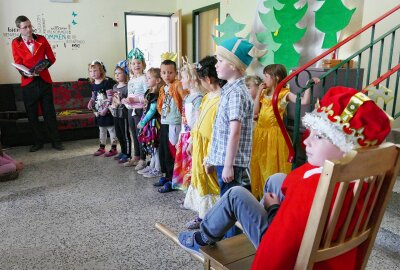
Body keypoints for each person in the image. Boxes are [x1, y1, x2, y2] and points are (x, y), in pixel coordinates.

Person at [177, 86, 392, 270]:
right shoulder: (361, 177)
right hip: (328, 242)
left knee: (236, 194)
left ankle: (203, 237)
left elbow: (280, 246)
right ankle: (256, 220)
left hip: (295, 252)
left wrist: (273, 210)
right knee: (276, 179)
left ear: (345, 147)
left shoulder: (311, 187)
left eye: (318, 136)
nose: (307, 141)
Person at [203, 37, 254, 237]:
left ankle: (231, 250)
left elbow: (235, 131)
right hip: (225, 159)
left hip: (231, 163)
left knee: (231, 208)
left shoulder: (237, 93)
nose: (216, 65)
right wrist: (212, 158)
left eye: (220, 61)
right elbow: (221, 131)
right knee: (227, 204)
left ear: (233, 65)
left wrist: (228, 165)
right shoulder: (230, 90)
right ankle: (228, 243)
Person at [250, 64, 319, 199]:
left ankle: (273, 195)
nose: (265, 79)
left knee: (272, 164)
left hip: (274, 135)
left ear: (276, 78)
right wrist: (258, 92)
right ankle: (262, 195)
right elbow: (255, 112)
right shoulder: (264, 93)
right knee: (260, 162)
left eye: (267, 76)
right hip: (261, 133)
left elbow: (303, 101)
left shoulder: (284, 93)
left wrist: (308, 85)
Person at [183, 56, 226, 230]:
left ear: (207, 79)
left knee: (212, 181)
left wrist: (210, 155)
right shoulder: (208, 96)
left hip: (211, 147)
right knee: (200, 178)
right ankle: (202, 214)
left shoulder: (222, 98)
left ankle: (213, 218)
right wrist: (192, 140)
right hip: (200, 144)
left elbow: (218, 129)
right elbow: (199, 119)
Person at [11, 15, 64, 152]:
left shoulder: (41, 39)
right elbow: (18, 62)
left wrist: (42, 67)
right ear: (19, 29)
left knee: (49, 113)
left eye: (30, 26)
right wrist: (25, 73)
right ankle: (37, 142)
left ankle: (56, 141)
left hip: (44, 80)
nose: (29, 29)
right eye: (25, 27)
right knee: (32, 114)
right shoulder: (15, 43)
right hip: (28, 83)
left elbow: (51, 58)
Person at [161, 58, 204, 193]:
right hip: (184, 135)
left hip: (191, 136)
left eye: (184, 77)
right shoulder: (187, 97)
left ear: (192, 79)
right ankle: (186, 190)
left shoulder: (198, 98)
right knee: (185, 163)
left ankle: (193, 191)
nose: (181, 80)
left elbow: (198, 121)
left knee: (192, 164)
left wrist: (191, 137)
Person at [153, 58, 187, 190]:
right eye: (164, 72)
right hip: (165, 121)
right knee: (164, 150)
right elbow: (160, 104)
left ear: (176, 73)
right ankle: (167, 175)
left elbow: (184, 99)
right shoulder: (163, 88)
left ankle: (175, 179)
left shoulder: (178, 84)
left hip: (175, 122)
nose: (167, 75)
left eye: (170, 72)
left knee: (173, 151)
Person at [122, 48, 148, 170]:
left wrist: (136, 101)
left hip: (139, 110)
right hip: (130, 110)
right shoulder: (131, 80)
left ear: (143, 64)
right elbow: (130, 95)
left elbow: (148, 96)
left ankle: (143, 158)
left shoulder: (144, 78)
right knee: (133, 134)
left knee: (140, 135)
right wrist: (126, 101)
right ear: (130, 66)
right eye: (133, 63)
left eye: (138, 63)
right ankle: (136, 156)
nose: (136, 65)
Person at [136, 68, 164, 178]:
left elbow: (152, 111)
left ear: (157, 80)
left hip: (153, 123)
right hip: (148, 122)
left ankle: (157, 168)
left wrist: (142, 122)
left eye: (149, 78)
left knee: (155, 146)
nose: (147, 79)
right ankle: (152, 166)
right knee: (151, 147)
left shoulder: (156, 94)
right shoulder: (148, 91)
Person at [87, 60, 117, 157]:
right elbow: (93, 97)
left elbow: (110, 98)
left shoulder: (106, 83)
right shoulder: (93, 84)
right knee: (101, 129)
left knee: (111, 129)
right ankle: (102, 147)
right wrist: (90, 102)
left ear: (101, 71)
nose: (93, 73)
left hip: (107, 111)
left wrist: (105, 109)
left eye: (95, 71)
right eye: (91, 71)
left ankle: (113, 148)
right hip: (99, 111)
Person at [110, 60, 131, 163]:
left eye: (120, 73)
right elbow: (114, 100)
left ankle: (127, 154)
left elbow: (128, 102)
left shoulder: (127, 87)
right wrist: (111, 103)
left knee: (125, 134)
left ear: (125, 74)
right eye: (116, 74)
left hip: (124, 115)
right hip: (116, 114)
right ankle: (122, 151)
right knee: (118, 134)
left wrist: (120, 102)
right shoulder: (114, 86)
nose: (117, 75)